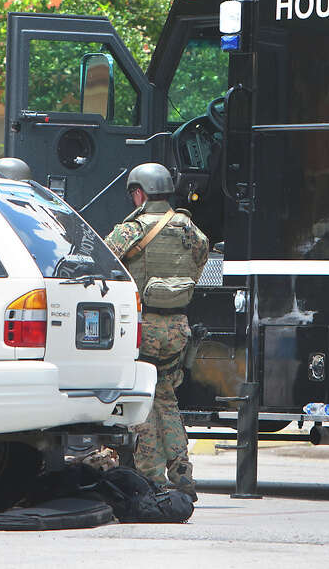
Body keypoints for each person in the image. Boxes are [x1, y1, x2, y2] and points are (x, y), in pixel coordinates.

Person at [104, 163, 209, 501]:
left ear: (140, 193)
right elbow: (202, 259)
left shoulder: (131, 230)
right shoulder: (190, 230)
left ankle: (151, 480)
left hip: (144, 326)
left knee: (143, 400)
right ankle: (182, 473)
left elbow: (103, 260)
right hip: (178, 327)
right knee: (166, 397)